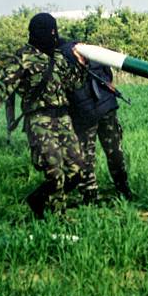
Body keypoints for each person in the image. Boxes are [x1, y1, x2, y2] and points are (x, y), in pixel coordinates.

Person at [0, 13, 89, 219]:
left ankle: (38, 199)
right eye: (49, 31)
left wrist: (81, 66)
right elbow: (3, 83)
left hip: (64, 119)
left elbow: (74, 84)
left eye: (53, 31)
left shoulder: (58, 57)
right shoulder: (23, 58)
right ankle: (58, 218)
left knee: (76, 171)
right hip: (39, 121)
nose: (52, 35)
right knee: (54, 172)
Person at [59, 39, 133, 201]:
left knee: (87, 155)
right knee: (114, 151)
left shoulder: (61, 57)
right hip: (104, 107)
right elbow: (108, 76)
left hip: (85, 112)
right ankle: (123, 189)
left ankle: (90, 195)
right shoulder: (94, 51)